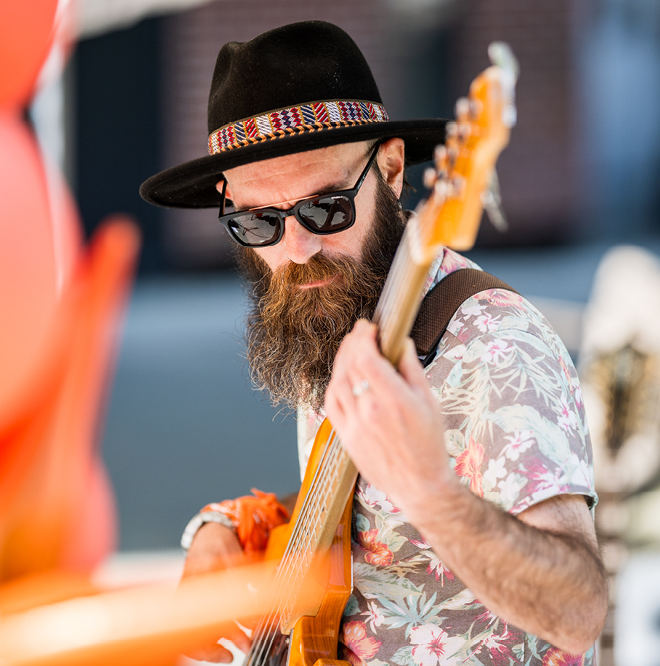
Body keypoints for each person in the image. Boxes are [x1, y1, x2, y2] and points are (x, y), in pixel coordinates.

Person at [141, 20, 607, 666]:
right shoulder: (335, 313)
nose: (296, 250)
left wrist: (434, 495)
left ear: (390, 170)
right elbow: (374, 523)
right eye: (258, 222)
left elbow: (580, 610)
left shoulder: (494, 344)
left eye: (325, 209)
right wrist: (231, 524)